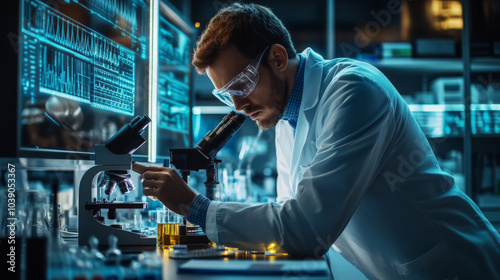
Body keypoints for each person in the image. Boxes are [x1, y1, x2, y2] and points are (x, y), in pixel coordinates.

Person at [133, 3, 500, 279]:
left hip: (455, 266)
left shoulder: (354, 92)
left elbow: (304, 229)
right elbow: (285, 217)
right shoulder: (282, 116)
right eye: (226, 95)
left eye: (241, 85)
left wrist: (194, 207)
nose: (239, 106)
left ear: (278, 58)